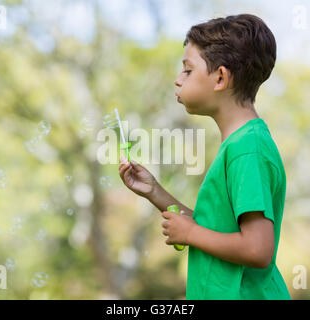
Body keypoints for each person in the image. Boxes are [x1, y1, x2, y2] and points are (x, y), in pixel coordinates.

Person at [119, 14, 291, 300]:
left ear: (220, 78)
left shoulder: (247, 150)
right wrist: (155, 192)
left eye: (187, 70)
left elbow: (257, 250)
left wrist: (189, 234)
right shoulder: (241, 144)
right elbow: (213, 228)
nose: (178, 79)